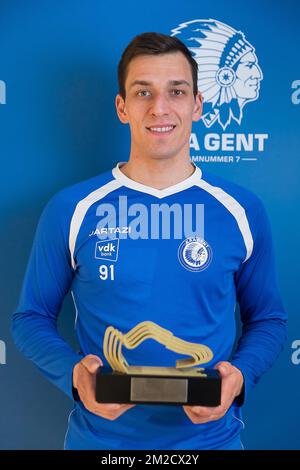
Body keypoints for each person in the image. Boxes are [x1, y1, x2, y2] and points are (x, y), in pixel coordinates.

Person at [11, 32, 287, 450]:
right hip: (102, 445)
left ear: (197, 104)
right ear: (122, 107)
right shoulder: (73, 208)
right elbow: (30, 318)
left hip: (211, 443)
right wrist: (74, 375)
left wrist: (240, 376)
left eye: (176, 91)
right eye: (143, 92)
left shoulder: (241, 210)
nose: (160, 108)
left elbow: (268, 319)